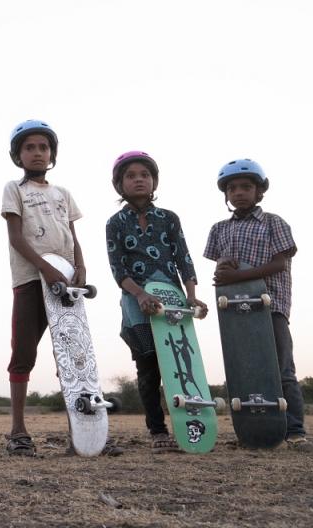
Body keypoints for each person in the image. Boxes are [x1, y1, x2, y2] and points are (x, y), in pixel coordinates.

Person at [0, 120, 99, 456]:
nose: (37, 153)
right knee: (23, 353)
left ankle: (82, 433)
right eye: (30, 148)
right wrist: (45, 268)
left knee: (71, 357)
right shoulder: (15, 189)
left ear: (51, 153)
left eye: (43, 147)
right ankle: (18, 432)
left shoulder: (63, 194)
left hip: (66, 285)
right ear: (18, 155)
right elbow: (15, 238)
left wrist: (79, 267)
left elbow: (73, 237)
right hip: (30, 280)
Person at [204, 159, 313, 452]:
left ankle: (295, 431)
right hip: (235, 313)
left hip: (270, 305)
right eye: (232, 188)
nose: (239, 192)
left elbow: (279, 263)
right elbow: (220, 270)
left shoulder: (274, 222)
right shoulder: (219, 229)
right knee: (243, 370)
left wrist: (238, 274)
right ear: (225, 194)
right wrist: (224, 270)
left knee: (281, 370)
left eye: (246, 187)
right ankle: (253, 431)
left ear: (260, 192)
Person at [105, 151, 207, 453]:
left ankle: (193, 426)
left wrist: (192, 296)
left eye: (145, 175)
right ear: (120, 185)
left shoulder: (169, 219)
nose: (139, 179)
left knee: (182, 364)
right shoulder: (115, 222)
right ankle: (157, 429)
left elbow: (184, 259)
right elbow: (117, 268)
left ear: (154, 181)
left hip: (173, 302)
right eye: (131, 175)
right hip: (137, 303)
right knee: (148, 366)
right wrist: (140, 294)